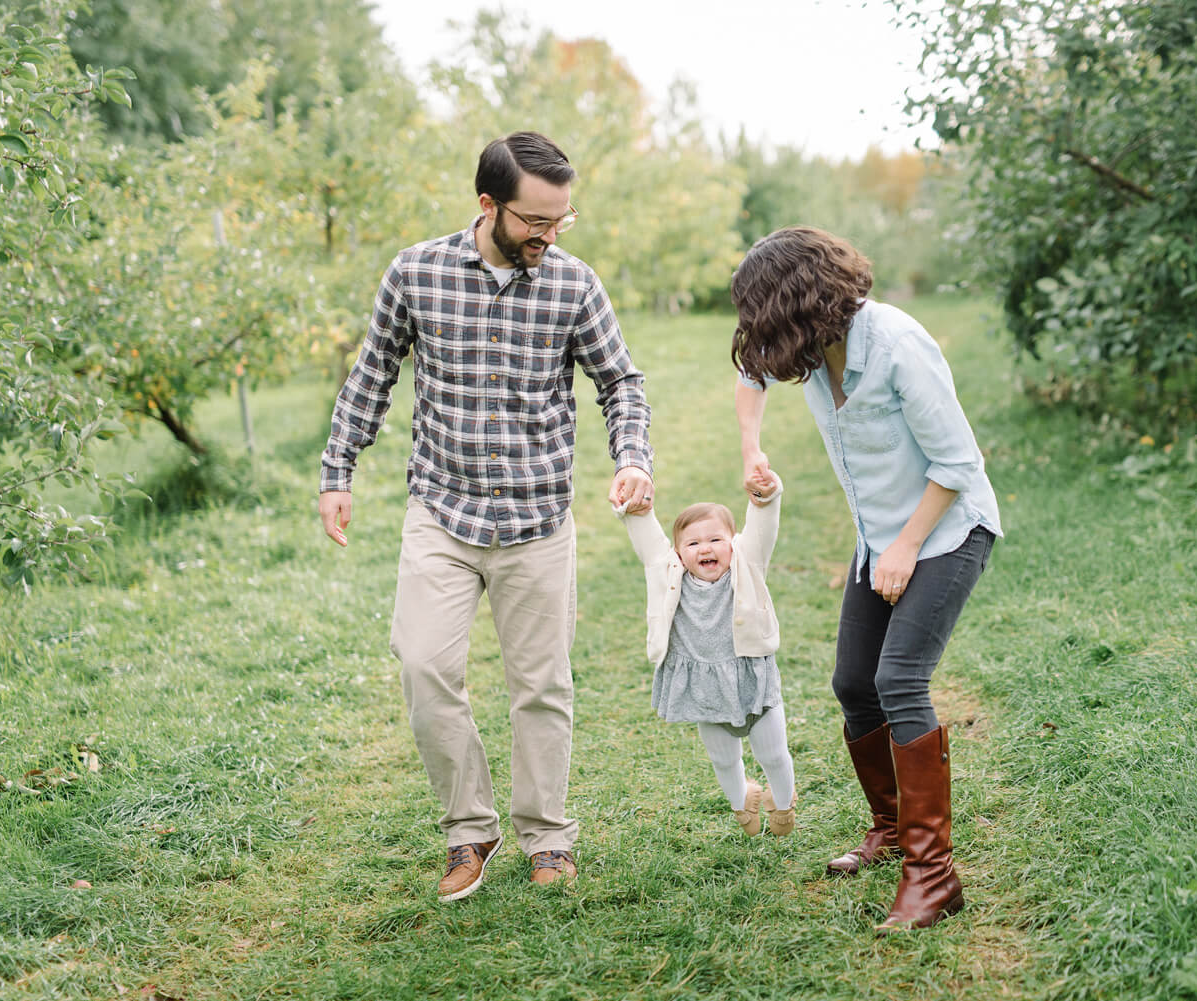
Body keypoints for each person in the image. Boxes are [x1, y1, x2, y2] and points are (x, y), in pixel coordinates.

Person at [317, 131, 655, 900]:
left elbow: (621, 382)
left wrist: (632, 455)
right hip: (441, 507)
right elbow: (372, 374)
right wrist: (338, 469)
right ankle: (469, 828)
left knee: (541, 684)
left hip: (539, 515)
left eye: (560, 221)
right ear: (487, 205)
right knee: (424, 664)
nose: (549, 236)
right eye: (535, 222)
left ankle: (547, 835)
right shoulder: (417, 271)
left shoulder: (574, 284)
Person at [730, 227, 1001, 932]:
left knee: (899, 679)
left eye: (763, 319)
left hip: (944, 529)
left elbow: (958, 462)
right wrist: (752, 448)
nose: (759, 338)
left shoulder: (898, 346)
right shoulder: (814, 347)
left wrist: (907, 546)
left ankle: (934, 876)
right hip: (878, 539)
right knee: (854, 683)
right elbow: (749, 375)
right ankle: (892, 826)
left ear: (801, 304)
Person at [614, 474, 797, 837]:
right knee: (723, 758)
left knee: (773, 753)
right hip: (702, 685)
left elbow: (762, 528)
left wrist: (765, 498)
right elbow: (650, 545)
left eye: (716, 539)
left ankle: (784, 800)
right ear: (679, 553)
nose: (705, 548)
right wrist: (638, 512)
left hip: (751, 678)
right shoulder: (668, 572)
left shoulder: (748, 564)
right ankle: (741, 800)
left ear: (733, 544)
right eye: (693, 543)